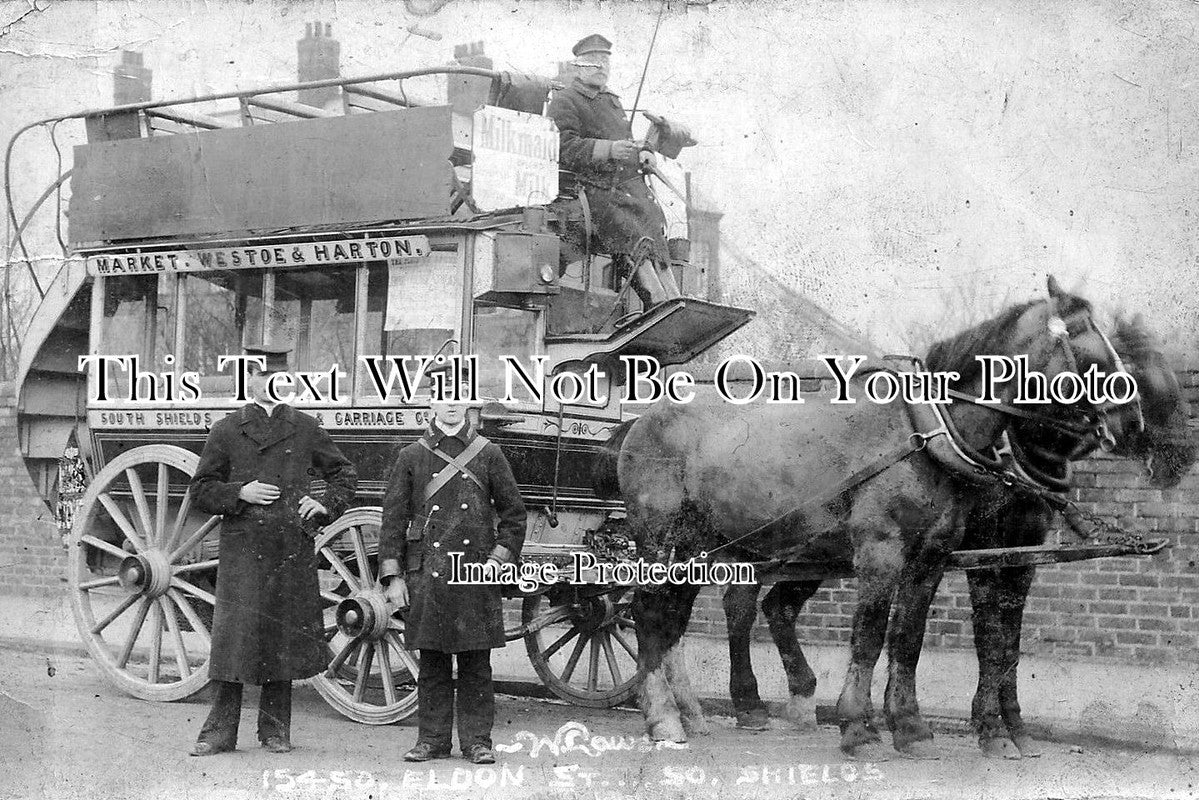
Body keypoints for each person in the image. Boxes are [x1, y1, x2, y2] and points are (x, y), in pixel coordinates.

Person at [188, 344, 357, 756]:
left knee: (280, 639)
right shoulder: (226, 429)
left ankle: (276, 731)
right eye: (262, 376)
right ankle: (218, 733)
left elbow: (344, 474)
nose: (270, 384)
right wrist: (239, 492)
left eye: (279, 377)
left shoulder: (305, 427)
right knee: (233, 642)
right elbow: (200, 490)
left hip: (289, 545)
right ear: (248, 380)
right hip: (243, 549)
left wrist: (325, 504)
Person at [379, 364, 527, 765]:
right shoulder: (411, 456)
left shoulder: (489, 453)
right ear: (432, 402)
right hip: (428, 573)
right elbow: (392, 520)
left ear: (468, 403)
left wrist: (499, 558)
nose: (451, 405)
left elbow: (514, 515)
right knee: (432, 661)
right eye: (444, 396)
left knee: (477, 661)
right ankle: (431, 740)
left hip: (475, 572)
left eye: (458, 396)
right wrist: (393, 576)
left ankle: (478, 741)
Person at [547, 33, 681, 308]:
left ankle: (673, 296)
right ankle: (655, 298)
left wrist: (644, 150)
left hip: (623, 184)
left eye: (605, 62)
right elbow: (563, 146)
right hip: (587, 187)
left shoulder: (611, 101)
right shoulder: (565, 100)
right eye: (594, 62)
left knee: (653, 218)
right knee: (625, 223)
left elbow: (626, 142)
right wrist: (608, 150)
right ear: (579, 67)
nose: (602, 68)